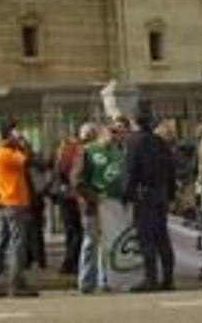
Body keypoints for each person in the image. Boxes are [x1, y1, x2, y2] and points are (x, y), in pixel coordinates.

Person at [123, 111, 177, 293]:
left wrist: (126, 195)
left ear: (135, 124)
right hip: (161, 194)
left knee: (146, 238)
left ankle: (150, 279)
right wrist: (170, 195)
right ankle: (168, 279)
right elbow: (171, 170)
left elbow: (130, 171)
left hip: (144, 195)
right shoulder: (161, 142)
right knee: (162, 237)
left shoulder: (134, 142)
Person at [0, 123, 36, 299]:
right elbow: (29, 159)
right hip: (15, 202)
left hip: (3, 203)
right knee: (17, 245)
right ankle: (14, 284)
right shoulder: (9, 154)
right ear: (8, 136)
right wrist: (21, 142)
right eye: (15, 133)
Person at [75, 122, 122, 295]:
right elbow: (77, 181)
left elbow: (120, 177)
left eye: (117, 134)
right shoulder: (87, 151)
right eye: (112, 133)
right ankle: (86, 282)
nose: (115, 137)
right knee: (90, 243)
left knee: (107, 244)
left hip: (111, 207)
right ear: (102, 133)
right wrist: (94, 197)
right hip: (92, 207)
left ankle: (105, 280)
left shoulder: (117, 153)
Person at [53, 129, 85, 275]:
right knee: (76, 232)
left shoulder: (62, 151)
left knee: (71, 231)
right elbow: (69, 173)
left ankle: (70, 264)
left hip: (64, 196)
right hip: (70, 196)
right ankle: (70, 263)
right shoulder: (72, 151)